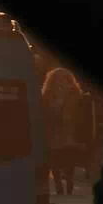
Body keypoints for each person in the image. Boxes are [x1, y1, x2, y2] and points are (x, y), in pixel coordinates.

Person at [42, 67, 85, 195]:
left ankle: (69, 185)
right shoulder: (47, 94)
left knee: (69, 159)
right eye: (57, 78)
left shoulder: (75, 94)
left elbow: (80, 114)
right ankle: (58, 185)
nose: (60, 81)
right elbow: (43, 112)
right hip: (53, 131)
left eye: (63, 78)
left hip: (69, 131)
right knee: (54, 159)